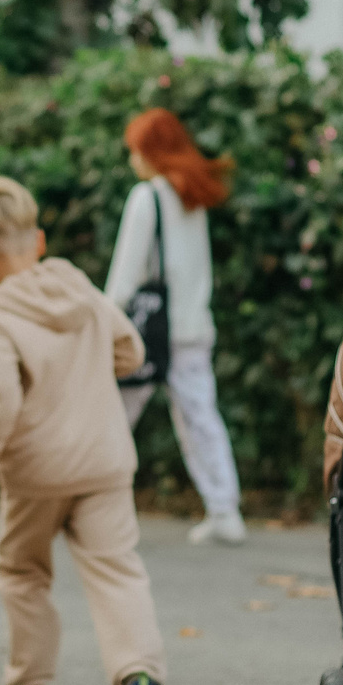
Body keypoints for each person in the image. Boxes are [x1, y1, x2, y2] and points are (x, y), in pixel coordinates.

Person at [0, 174, 170, 685]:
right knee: (117, 570)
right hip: (105, 459)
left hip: (35, 473)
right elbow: (132, 350)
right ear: (39, 240)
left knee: (23, 573)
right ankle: (139, 678)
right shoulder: (79, 286)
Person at [104, 107, 247, 545]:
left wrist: (104, 322)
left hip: (148, 334)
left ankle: (87, 504)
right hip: (191, 328)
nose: (133, 160)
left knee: (112, 417)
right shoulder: (191, 197)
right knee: (200, 418)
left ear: (152, 152)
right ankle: (225, 510)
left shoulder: (146, 198)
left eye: (136, 151)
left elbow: (126, 277)